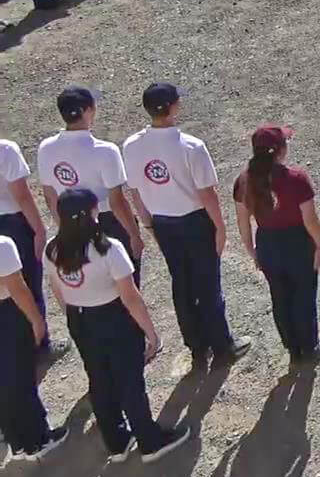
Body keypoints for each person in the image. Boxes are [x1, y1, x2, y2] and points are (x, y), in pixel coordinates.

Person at [46, 188, 188, 462]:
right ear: (91, 213)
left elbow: (58, 290)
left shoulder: (52, 249)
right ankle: (149, 441)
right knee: (130, 382)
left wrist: (75, 314)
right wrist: (151, 333)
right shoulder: (108, 249)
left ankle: (116, 442)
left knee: (99, 379)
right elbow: (131, 298)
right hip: (113, 318)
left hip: (80, 317)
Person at [121, 83, 250, 364]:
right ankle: (223, 344)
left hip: (163, 223)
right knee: (208, 284)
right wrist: (220, 226)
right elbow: (207, 193)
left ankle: (196, 345)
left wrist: (149, 225)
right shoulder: (191, 146)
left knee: (181, 283)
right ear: (174, 106)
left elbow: (135, 191)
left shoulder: (131, 146)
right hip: (195, 222)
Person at [234, 124, 320, 363]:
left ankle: (292, 348)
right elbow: (310, 219)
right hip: (297, 242)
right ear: (280, 150)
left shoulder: (244, 181)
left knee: (280, 296)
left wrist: (252, 251)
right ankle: (310, 346)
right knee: (304, 295)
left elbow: (243, 221)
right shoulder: (296, 179)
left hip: (267, 242)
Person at [38, 87, 143, 277]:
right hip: (108, 222)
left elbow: (50, 195)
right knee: (123, 280)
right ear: (88, 110)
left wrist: (64, 227)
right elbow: (117, 201)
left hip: (71, 221)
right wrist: (134, 235)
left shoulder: (46, 148)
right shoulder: (106, 151)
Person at [0, 224, 63, 460]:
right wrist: (37, 320)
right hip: (8, 315)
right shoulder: (3, 245)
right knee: (21, 377)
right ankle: (38, 440)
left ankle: (16, 441)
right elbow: (18, 289)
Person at [0, 136, 53, 362]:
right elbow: (21, 196)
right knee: (28, 283)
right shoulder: (6, 150)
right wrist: (39, 230)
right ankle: (38, 345)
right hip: (14, 225)